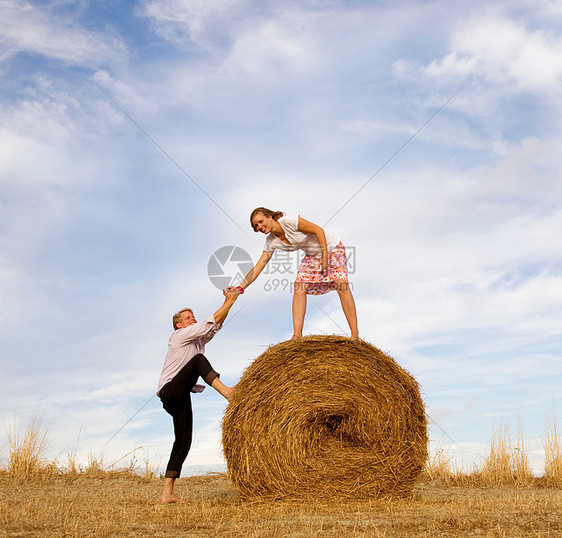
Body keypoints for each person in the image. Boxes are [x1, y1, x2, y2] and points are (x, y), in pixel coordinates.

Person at [156, 288, 240, 504]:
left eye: (192, 316)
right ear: (179, 325)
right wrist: (230, 300)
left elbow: (214, 326)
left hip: (181, 394)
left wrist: (229, 301)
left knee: (183, 441)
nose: (192, 319)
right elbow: (208, 323)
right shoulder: (179, 336)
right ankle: (227, 391)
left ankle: (167, 493)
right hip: (170, 391)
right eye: (188, 317)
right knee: (197, 362)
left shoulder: (197, 343)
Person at [230, 208, 358, 339]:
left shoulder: (289, 221)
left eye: (261, 221)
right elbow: (258, 267)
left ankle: (355, 335)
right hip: (312, 255)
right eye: (256, 226)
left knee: (341, 284)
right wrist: (239, 288)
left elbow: (318, 230)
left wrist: (325, 258)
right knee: (299, 286)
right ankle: (297, 335)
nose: (260, 227)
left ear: (270, 217)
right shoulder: (271, 241)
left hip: (331, 247)